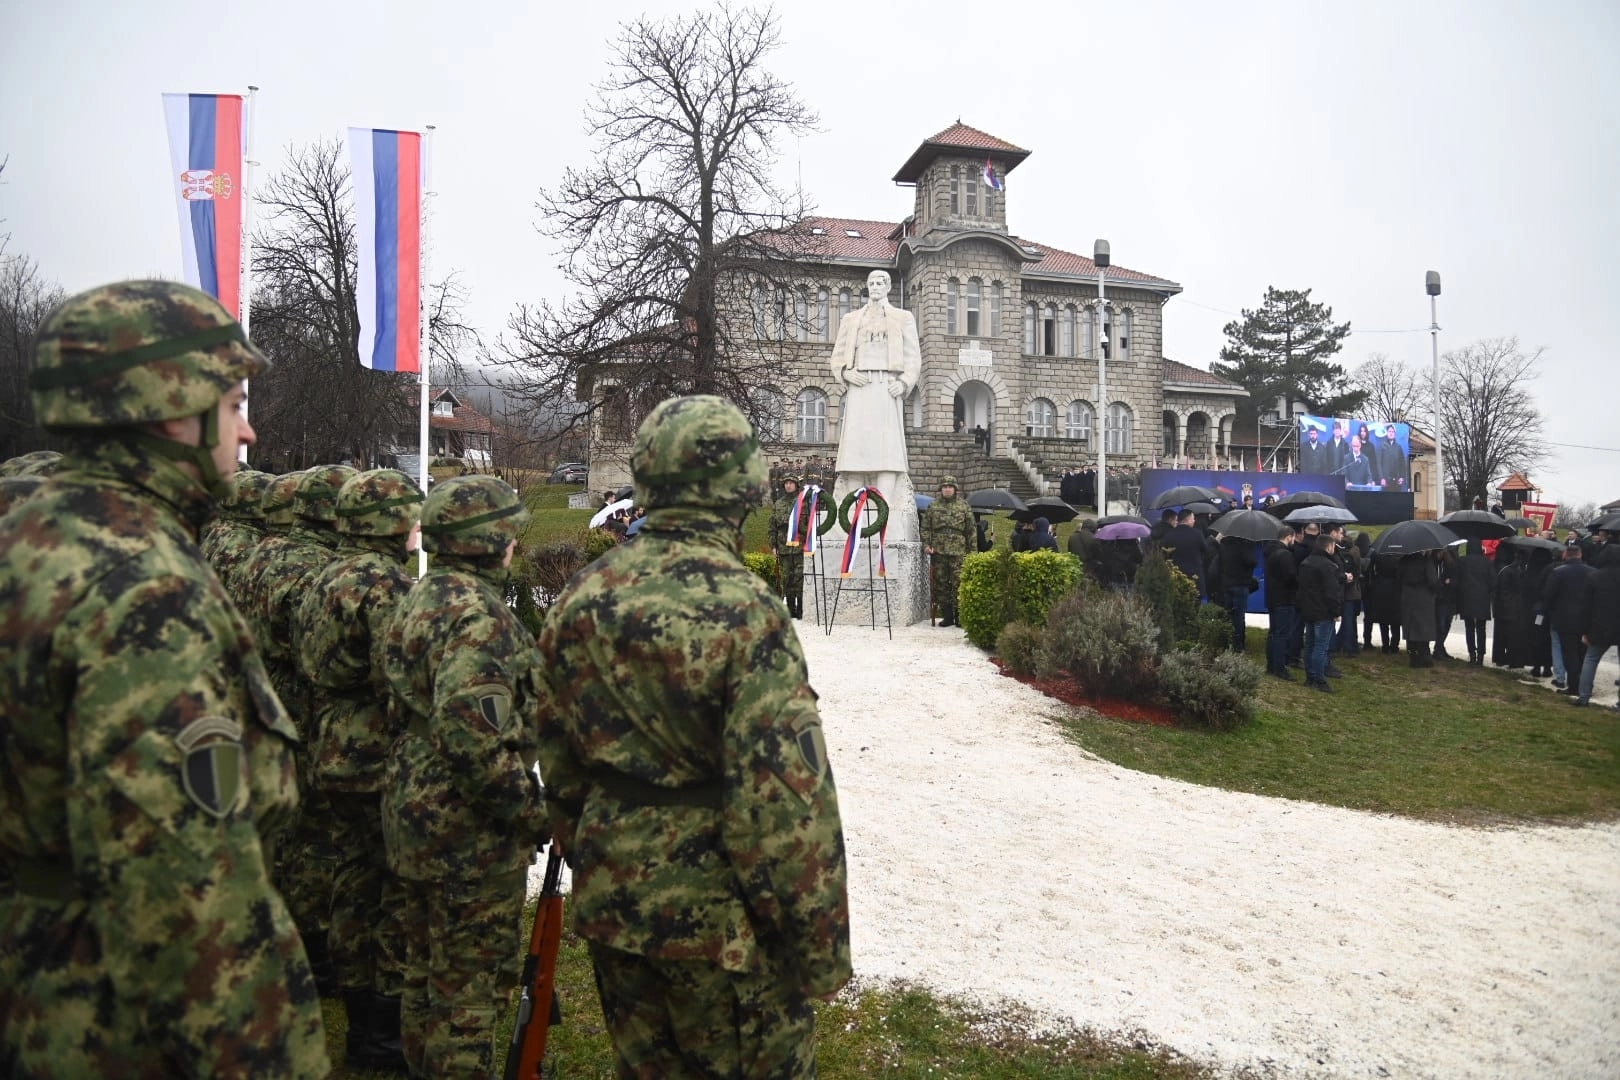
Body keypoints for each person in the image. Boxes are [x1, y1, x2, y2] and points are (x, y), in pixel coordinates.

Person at [0, 280, 329, 1076]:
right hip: (106, 1015)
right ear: (172, 412)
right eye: (233, 404)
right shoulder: (143, 590)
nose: (248, 432)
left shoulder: (28, 528)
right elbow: (186, 898)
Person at [535, 396, 851, 1078]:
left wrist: (592, 847)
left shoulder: (583, 595)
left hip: (616, 902)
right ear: (742, 485)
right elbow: (786, 803)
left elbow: (557, 757)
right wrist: (818, 947)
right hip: (721, 922)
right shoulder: (746, 609)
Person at [381, 474, 546, 1077]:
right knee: (466, 993)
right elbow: (473, 740)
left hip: (414, 809)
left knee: (425, 971)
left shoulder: (424, 596)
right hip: (463, 831)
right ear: (489, 539)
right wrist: (532, 812)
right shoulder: (480, 617)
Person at [294, 468, 424, 1071]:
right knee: (393, 890)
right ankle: (383, 1028)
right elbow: (401, 677)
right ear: (392, 523)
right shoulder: (387, 587)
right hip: (375, 749)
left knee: (348, 879)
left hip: (329, 741)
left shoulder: (324, 575)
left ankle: (355, 1009)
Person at [829, 269, 921, 535]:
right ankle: (855, 501)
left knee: (887, 446)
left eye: (880, 282)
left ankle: (887, 504)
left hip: (886, 387)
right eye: (871, 283)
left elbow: (913, 356)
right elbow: (837, 357)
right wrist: (846, 373)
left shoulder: (903, 318)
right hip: (860, 386)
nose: (875, 286)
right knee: (856, 447)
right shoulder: (851, 319)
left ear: (889, 286)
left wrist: (904, 382)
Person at [1569, 545, 1620, 708]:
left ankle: (1583, 697)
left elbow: (1586, 607)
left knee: (1590, 660)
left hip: (1600, 625)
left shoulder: (1594, 577)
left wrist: (1584, 630)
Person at [922, 475, 976, 627]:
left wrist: (973, 552)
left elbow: (971, 530)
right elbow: (925, 527)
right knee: (941, 584)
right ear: (941, 489)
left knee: (959, 583)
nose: (947, 489)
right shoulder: (933, 506)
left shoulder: (964, 506)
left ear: (955, 489)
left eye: (950, 487)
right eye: (944, 487)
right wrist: (926, 544)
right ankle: (947, 617)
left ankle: (960, 617)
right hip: (939, 551)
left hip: (959, 551)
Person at [1540, 540, 1591, 694]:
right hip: (1585, 619)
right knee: (1583, 654)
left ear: (1565, 555)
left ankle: (1572, 685)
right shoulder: (1592, 572)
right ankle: (1584, 684)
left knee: (1569, 653)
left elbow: (1548, 595)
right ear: (1580, 555)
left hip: (1563, 619)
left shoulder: (1558, 572)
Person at [1296, 533, 1345, 691]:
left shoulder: (1305, 563)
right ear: (1329, 547)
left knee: (1309, 645)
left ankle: (1310, 677)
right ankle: (1320, 680)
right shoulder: (1328, 566)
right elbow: (1331, 592)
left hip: (1308, 610)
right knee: (1320, 647)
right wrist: (1336, 611)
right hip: (1323, 612)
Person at [769, 474, 807, 619]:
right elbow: (772, 527)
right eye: (786, 483)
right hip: (784, 548)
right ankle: (791, 609)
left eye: (791, 483)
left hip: (800, 547)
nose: (788, 485)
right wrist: (773, 546)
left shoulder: (803, 502)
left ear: (797, 485)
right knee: (787, 578)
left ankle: (802, 609)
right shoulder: (778, 504)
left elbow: (809, 524)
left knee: (800, 577)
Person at [1264, 526, 1300, 678]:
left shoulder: (1271, 553)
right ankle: (1279, 667)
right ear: (1289, 537)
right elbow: (1290, 577)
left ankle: (1272, 665)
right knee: (1281, 634)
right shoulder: (1285, 555)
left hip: (1273, 597)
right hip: (1284, 599)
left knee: (1274, 632)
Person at [1217, 534, 1259, 652]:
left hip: (1226, 584)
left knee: (1228, 615)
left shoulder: (1224, 545)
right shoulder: (1244, 545)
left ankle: (1226, 642)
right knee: (1239, 616)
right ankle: (1238, 645)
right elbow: (1252, 561)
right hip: (1240, 584)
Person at [1400, 550, 1441, 668]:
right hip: (1423, 598)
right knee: (1423, 629)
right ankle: (1424, 658)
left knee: (1410, 629)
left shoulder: (1404, 561)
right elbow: (1433, 581)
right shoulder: (1426, 562)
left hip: (1407, 596)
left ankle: (1413, 657)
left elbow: (1399, 578)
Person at [1457, 538, 1494, 665]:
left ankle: (1472, 654)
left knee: (1469, 627)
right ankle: (1480, 656)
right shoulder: (1487, 562)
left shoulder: (1463, 561)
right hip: (1482, 598)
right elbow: (1492, 582)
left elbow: (1458, 579)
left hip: (1466, 597)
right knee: (1481, 628)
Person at [1162, 509, 1208, 600]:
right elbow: (1205, 550)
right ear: (1188, 520)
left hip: (1176, 577)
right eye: (1193, 518)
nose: (1194, 521)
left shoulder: (1169, 535)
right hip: (1195, 577)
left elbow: (1165, 554)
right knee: (1195, 604)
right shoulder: (1197, 534)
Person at [1375, 423, 1410, 490]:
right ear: (1387, 433)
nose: (1391, 433)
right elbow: (1379, 464)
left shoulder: (1398, 447)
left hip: (1396, 482)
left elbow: (1402, 464)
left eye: (1392, 431)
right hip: (1385, 482)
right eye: (1389, 431)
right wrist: (1382, 478)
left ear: (1395, 433)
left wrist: (1402, 477)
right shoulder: (1382, 446)